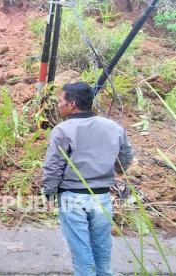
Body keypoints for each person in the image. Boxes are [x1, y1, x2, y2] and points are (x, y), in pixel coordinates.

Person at [42, 82, 134, 276]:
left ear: (72, 104)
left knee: (81, 251)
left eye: (60, 101)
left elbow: (53, 166)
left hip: (72, 197)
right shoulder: (114, 127)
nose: (58, 105)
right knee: (102, 247)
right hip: (102, 197)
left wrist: (49, 194)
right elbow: (125, 156)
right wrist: (115, 170)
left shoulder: (63, 130)